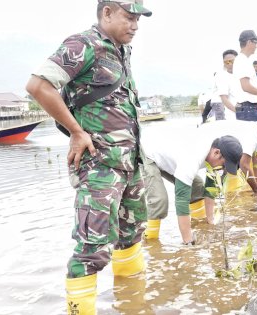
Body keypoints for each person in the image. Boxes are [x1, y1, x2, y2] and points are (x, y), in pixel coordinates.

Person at [25, 1, 152, 313]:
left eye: (138, 19)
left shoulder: (122, 49)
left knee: (131, 234)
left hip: (128, 163)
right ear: (106, 12)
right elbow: (38, 86)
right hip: (100, 167)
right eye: (129, 17)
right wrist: (76, 131)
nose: (135, 25)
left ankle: (131, 304)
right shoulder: (83, 44)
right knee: (91, 248)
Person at [141, 133, 242, 244]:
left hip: (173, 158)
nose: (223, 168)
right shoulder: (192, 159)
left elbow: (210, 189)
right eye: (223, 165)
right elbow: (181, 203)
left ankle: (198, 223)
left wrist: (210, 220)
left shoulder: (213, 152)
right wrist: (188, 242)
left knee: (197, 188)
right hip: (150, 156)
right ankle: (150, 241)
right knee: (159, 200)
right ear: (216, 152)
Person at [210, 49, 239, 120]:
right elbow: (224, 99)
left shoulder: (241, 75)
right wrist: (239, 113)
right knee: (220, 120)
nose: (230, 64)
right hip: (232, 115)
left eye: (232, 61)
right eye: (227, 62)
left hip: (246, 115)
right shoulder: (221, 76)